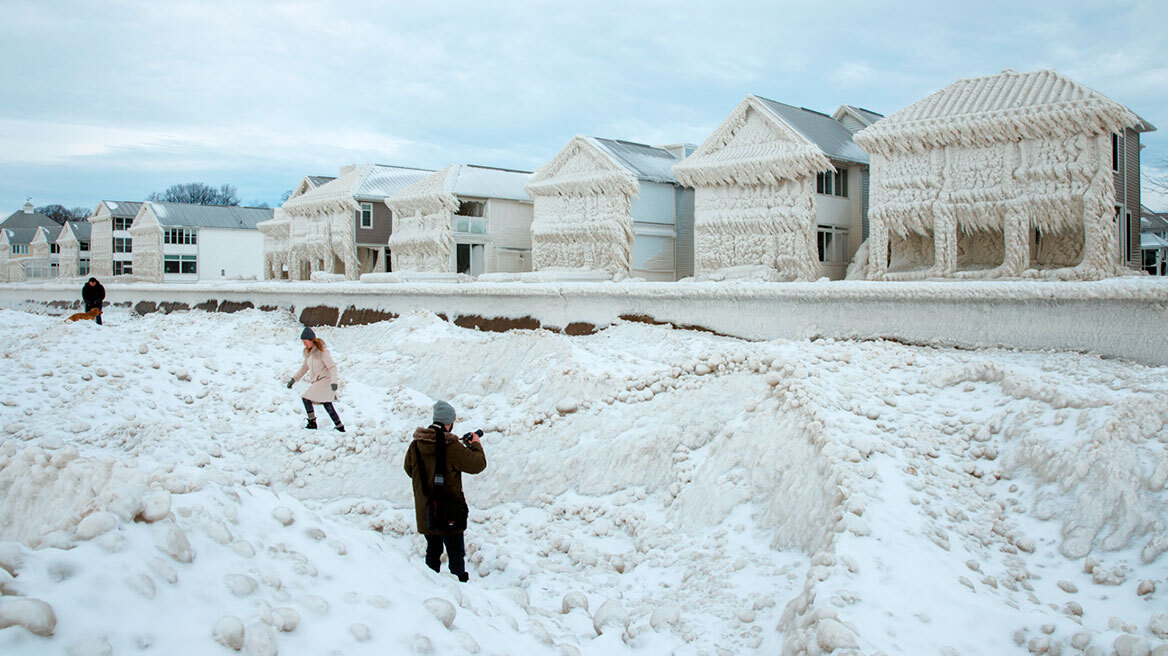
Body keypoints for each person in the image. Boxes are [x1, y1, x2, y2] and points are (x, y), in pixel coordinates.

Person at [403, 400, 486, 582]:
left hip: (426, 512)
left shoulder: (415, 445)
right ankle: (461, 587)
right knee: (456, 553)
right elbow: (477, 464)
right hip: (449, 512)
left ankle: (429, 584)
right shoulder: (451, 446)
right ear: (449, 423)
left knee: (432, 551)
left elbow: (409, 469)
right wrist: (475, 444)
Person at [286, 327, 345, 432]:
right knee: (327, 403)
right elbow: (304, 368)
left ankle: (312, 422)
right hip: (318, 382)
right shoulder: (309, 355)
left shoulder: (323, 352)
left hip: (325, 381)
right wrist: (293, 379)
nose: (304, 344)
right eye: (303, 342)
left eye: (305, 342)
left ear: (312, 340)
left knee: (306, 398)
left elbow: (332, 367)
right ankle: (340, 426)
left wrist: (334, 382)